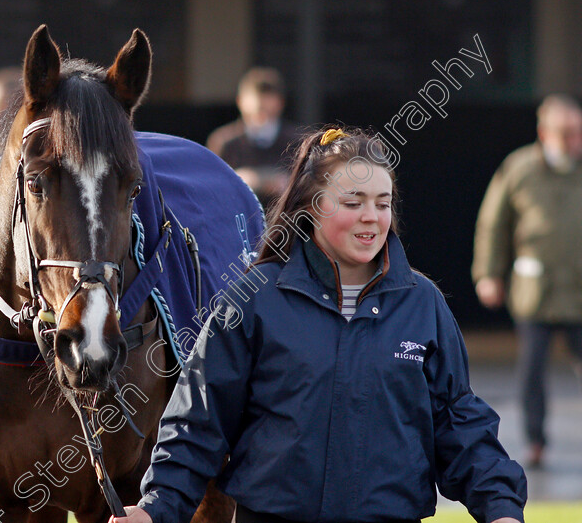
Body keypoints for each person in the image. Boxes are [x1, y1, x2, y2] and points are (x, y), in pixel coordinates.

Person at [114, 128, 526, 523]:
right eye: (353, 202)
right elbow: (198, 421)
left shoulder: (423, 303)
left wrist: (501, 507)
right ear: (312, 208)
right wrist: (156, 508)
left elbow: (459, 422)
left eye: (382, 204)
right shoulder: (254, 299)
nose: (371, 217)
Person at [473, 94, 582, 468]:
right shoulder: (519, 168)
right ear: (544, 133)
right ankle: (536, 441)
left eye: (577, 133)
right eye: (565, 133)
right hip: (536, 288)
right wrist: (488, 273)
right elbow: (493, 223)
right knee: (532, 369)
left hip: (580, 288)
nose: (573, 141)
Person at [206, 67, 298, 207]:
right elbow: (211, 189)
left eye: (268, 97)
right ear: (240, 101)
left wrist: (288, 184)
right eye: (255, 97)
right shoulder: (224, 142)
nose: (261, 104)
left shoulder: (297, 141)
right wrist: (241, 180)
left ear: (280, 103)